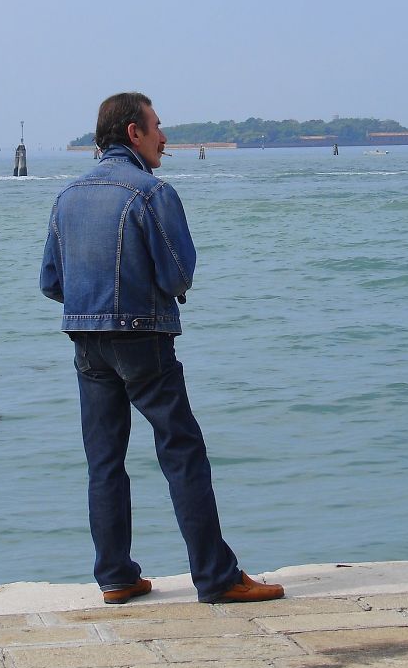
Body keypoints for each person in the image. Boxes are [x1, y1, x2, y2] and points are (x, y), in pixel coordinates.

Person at [40, 92, 284, 605]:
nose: (164, 137)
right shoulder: (152, 193)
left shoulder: (67, 197)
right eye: (157, 127)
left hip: (86, 341)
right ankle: (216, 576)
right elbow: (179, 274)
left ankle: (116, 576)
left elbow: (50, 282)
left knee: (104, 459)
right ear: (133, 132)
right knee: (182, 452)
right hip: (143, 337)